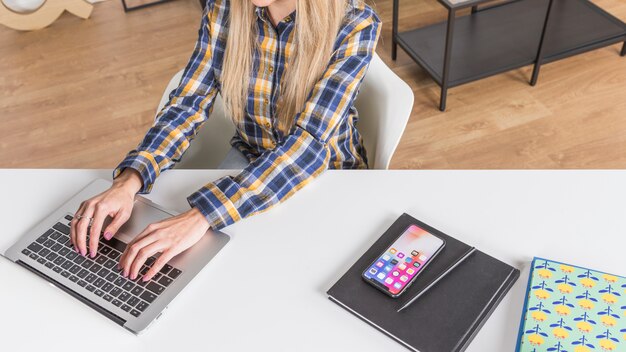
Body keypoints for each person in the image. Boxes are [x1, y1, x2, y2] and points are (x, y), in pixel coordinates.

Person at [69, 0, 381, 282]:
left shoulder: (355, 23)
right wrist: (130, 179)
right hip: (251, 157)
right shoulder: (225, 8)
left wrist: (201, 215)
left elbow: (308, 145)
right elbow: (187, 105)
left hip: (329, 175)